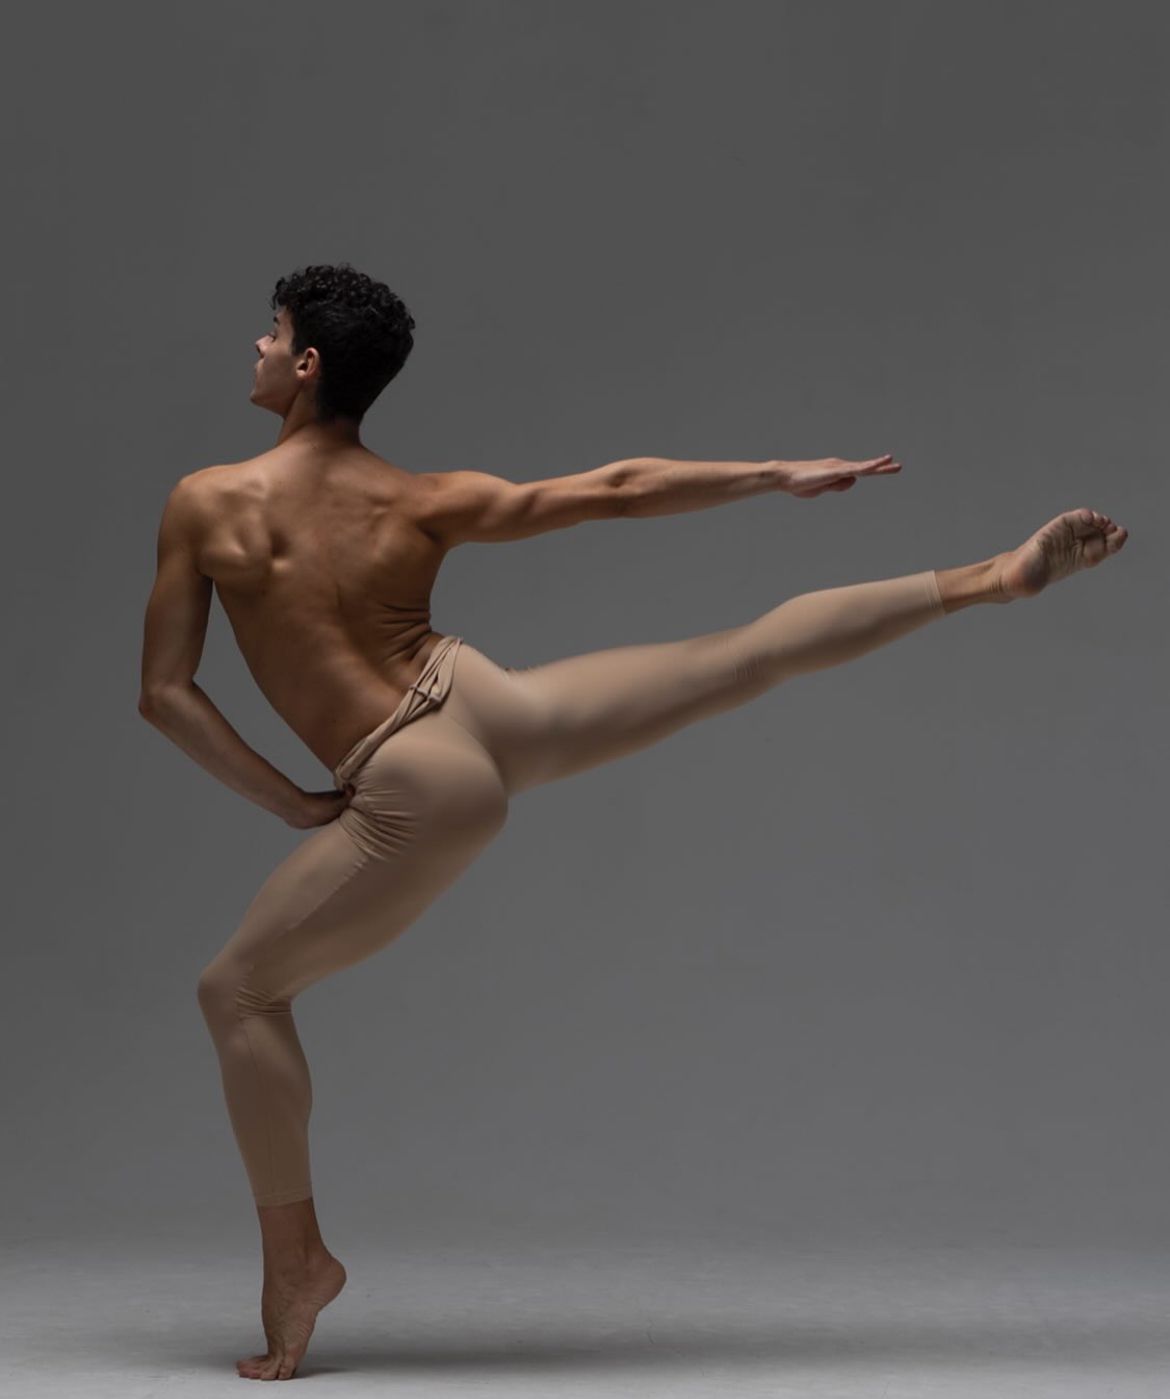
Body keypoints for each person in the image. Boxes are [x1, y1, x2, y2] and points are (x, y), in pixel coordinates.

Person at [138, 262, 1128, 1381]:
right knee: (746, 656)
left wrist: (296, 803)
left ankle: (297, 1261)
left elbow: (165, 694)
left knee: (240, 990)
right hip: (487, 703)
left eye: (270, 335)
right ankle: (992, 577)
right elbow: (611, 485)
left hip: (407, 777)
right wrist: (773, 474)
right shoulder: (417, 498)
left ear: (308, 364)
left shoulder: (206, 502)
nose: (257, 349)